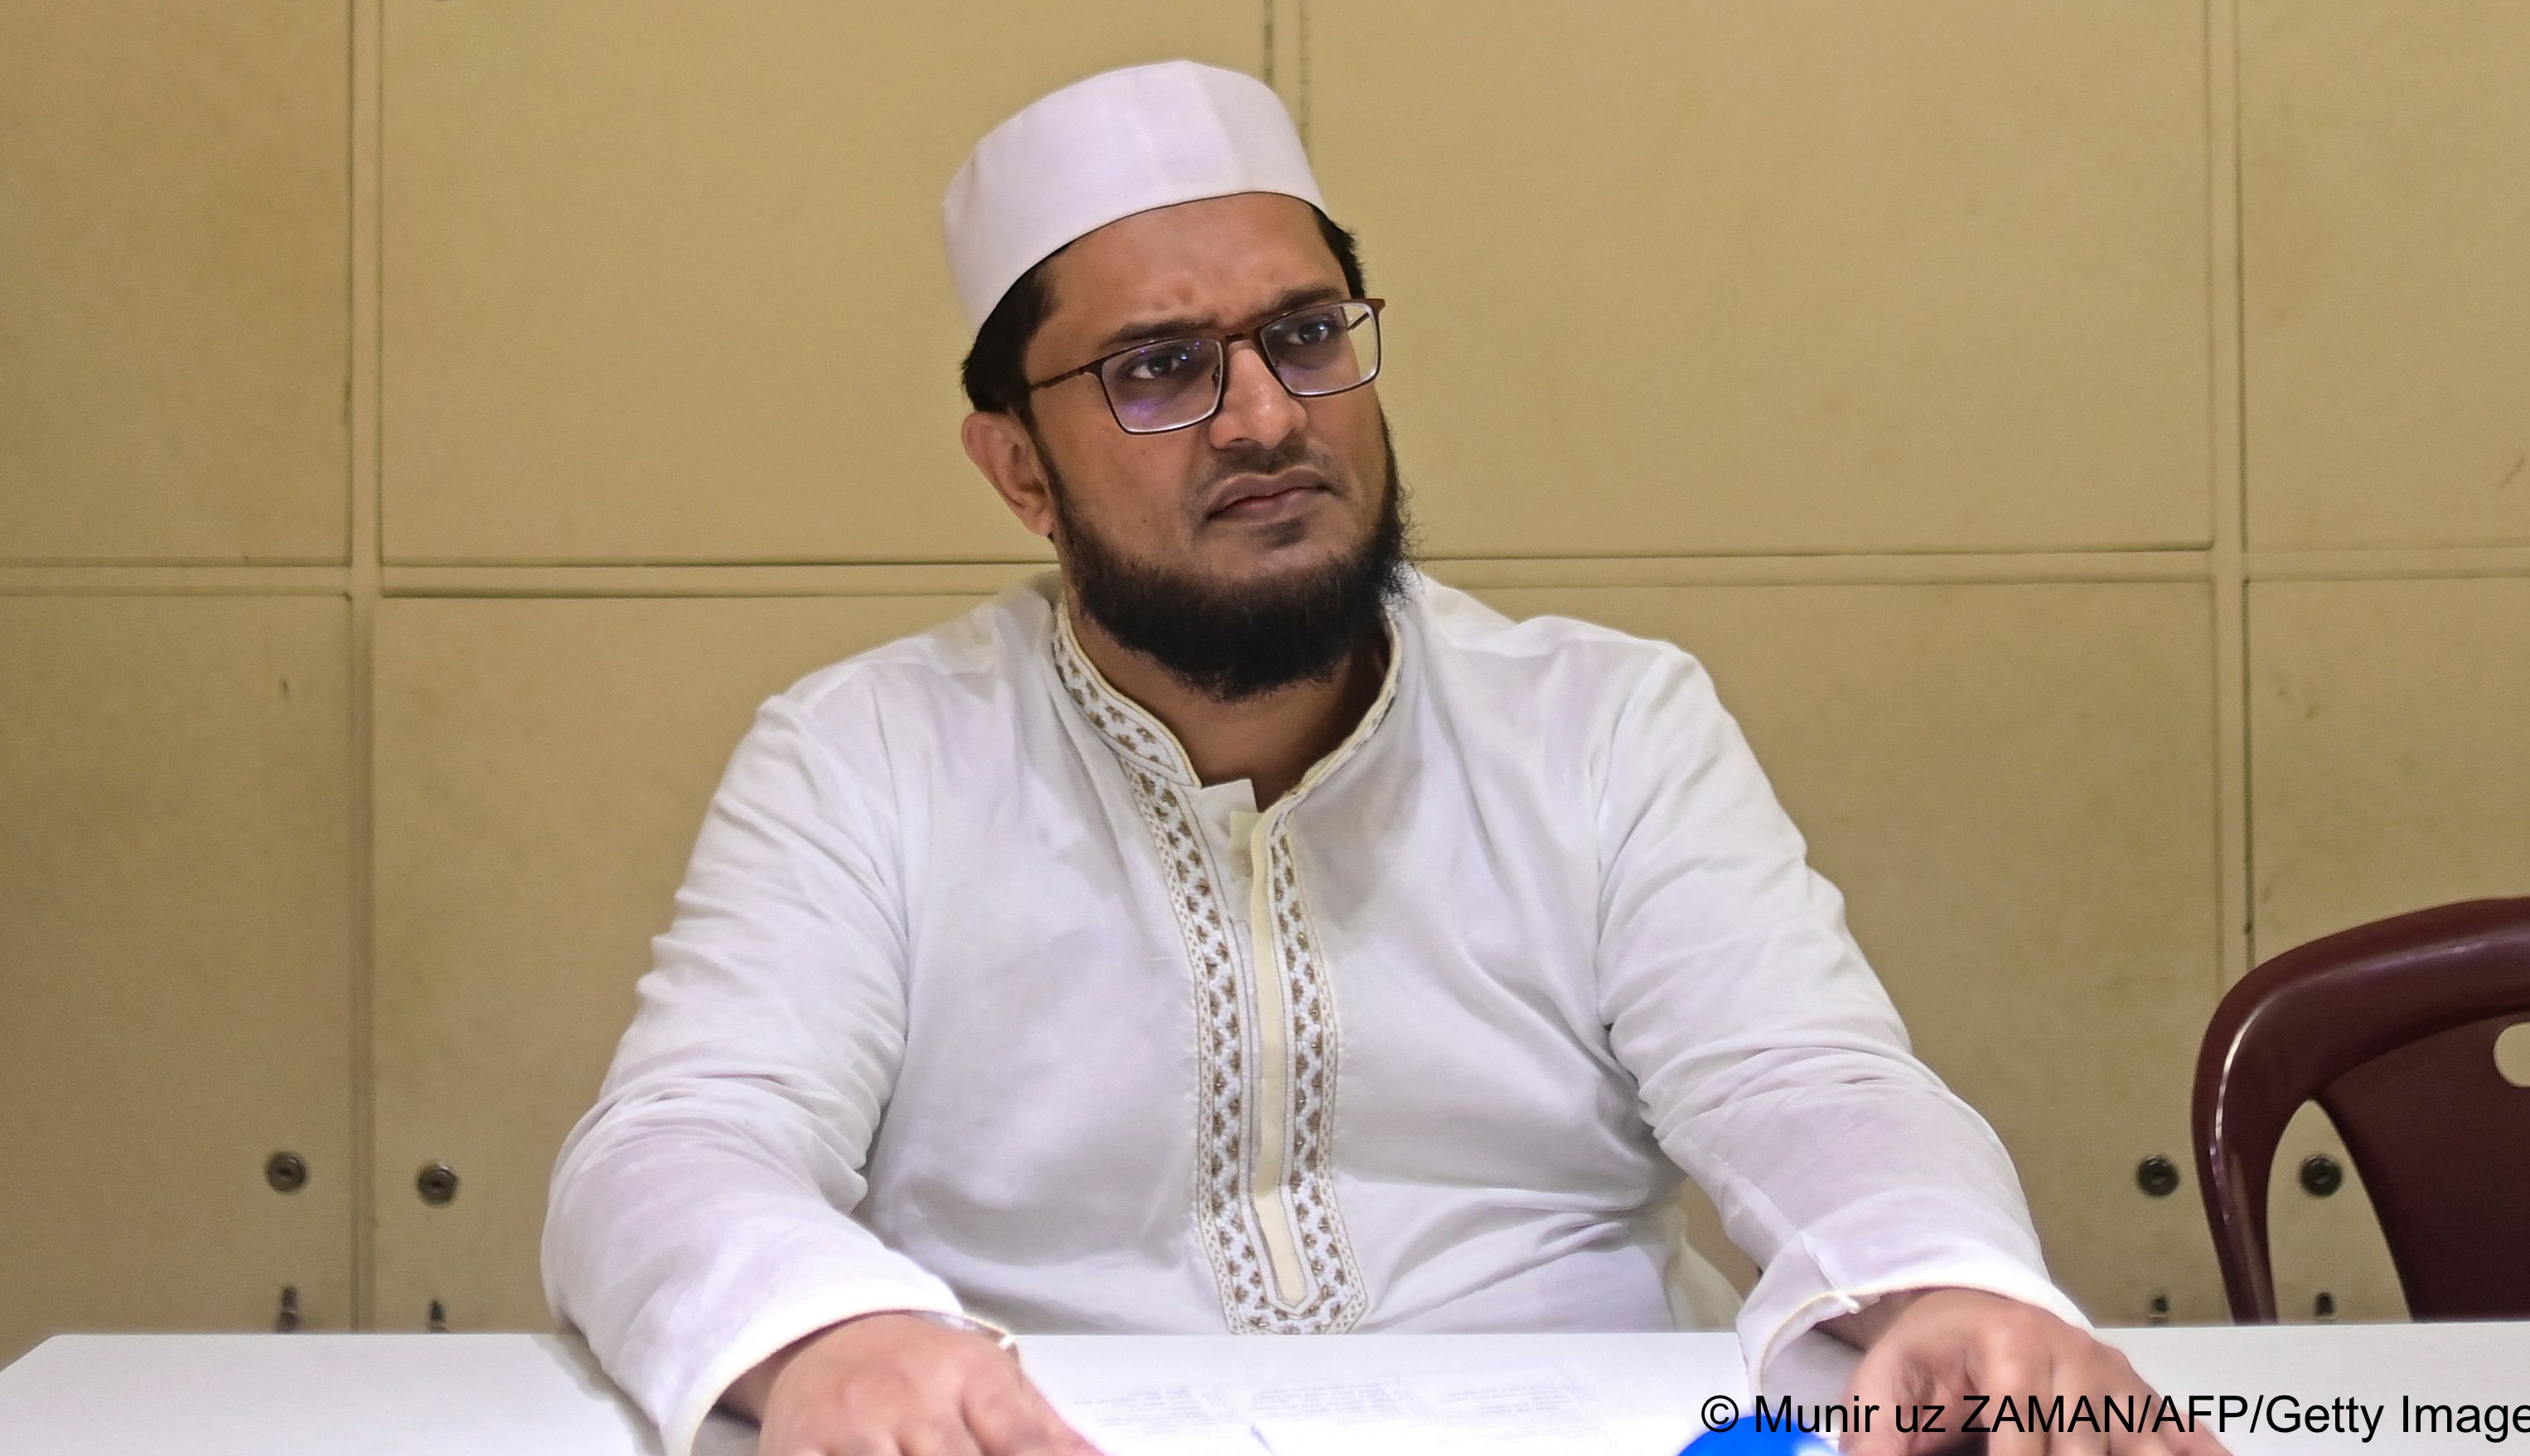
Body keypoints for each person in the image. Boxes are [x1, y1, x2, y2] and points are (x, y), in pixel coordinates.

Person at [544, 60, 2224, 1456]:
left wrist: (1938, 1282)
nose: (1267, 416)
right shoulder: (871, 760)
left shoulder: (1601, 723)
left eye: (1306, 336)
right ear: (1019, 472)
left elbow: (1809, 1082)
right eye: (1157, 370)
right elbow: (679, 1146)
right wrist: (833, 1334)